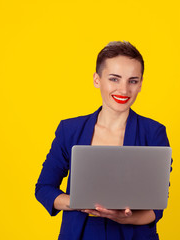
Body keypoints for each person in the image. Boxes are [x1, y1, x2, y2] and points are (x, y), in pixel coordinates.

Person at [35, 41, 171, 240]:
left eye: (133, 80)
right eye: (114, 79)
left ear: (141, 83)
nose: (124, 90)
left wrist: (125, 218)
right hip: (81, 235)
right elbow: (44, 189)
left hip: (133, 235)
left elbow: (157, 207)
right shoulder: (69, 130)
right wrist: (77, 202)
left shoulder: (154, 133)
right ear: (97, 80)